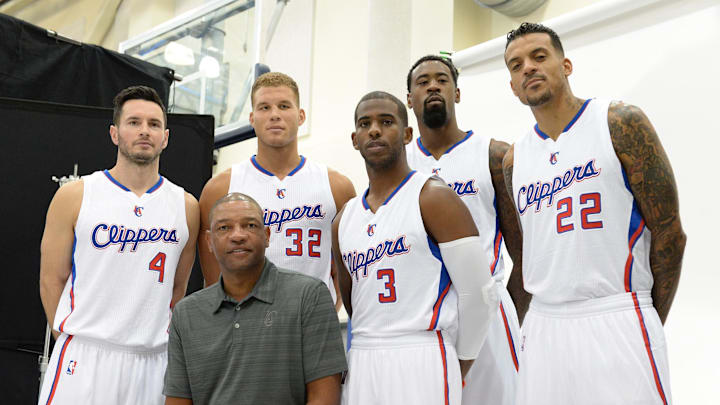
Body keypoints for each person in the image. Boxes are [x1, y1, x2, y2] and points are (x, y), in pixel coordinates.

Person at [502, 22, 686, 405]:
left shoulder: (618, 122)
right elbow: (524, 257)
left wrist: (645, 316)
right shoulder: (514, 160)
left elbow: (669, 234)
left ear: (565, 65)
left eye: (539, 57)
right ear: (512, 86)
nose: (528, 69)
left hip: (616, 311)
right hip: (544, 326)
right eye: (516, 65)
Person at [332, 91, 498, 405]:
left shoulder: (434, 197)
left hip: (422, 353)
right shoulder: (343, 220)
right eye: (365, 124)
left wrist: (458, 363)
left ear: (408, 134)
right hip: (364, 355)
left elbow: (480, 295)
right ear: (354, 139)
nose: (375, 130)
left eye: (386, 121)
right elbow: (355, 303)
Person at [38, 86, 200, 404]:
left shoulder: (186, 205)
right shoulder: (75, 195)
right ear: (115, 133)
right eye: (134, 122)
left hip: (153, 360)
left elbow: (178, 288)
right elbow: (50, 280)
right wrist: (72, 339)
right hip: (85, 355)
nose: (144, 131)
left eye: (154, 124)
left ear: (165, 137)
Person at [405, 55, 523, 405]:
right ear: (409, 99)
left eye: (441, 79)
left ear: (456, 93)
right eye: (422, 81)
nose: (432, 86)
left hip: (486, 307)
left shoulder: (494, 154)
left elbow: (523, 253)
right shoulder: (398, 164)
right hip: (425, 315)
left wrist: (502, 309)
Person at [164, 193, 346, 405]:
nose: (238, 235)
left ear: (267, 235)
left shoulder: (310, 296)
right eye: (224, 228)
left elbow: (324, 398)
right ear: (209, 242)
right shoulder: (186, 314)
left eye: (250, 225)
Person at [199, 72, 355, 309]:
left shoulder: (336, 186)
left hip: (313, 322)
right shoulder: (221, 188)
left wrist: (329, 311)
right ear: (252, 118)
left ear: (301, 116)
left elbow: (348, 265)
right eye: (264, 107)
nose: (274, 115)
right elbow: (213, 278)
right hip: (248, 325)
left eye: (284, 106)